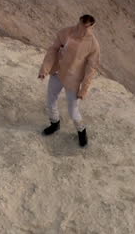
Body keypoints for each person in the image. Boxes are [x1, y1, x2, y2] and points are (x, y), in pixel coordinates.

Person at [38, 14, 101, 147]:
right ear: (79, 21)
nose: (82, 28)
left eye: (86, 26)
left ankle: (81, 131)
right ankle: (55, 123)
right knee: (50, 100)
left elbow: (91, 68)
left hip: (73, 79)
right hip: (58, 72)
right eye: (81, 24)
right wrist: (45, 68)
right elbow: (53, 49)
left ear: (91, 26)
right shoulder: (67, 32)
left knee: (73, 111)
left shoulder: (93, 44)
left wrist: (84, 89)